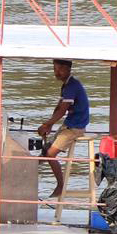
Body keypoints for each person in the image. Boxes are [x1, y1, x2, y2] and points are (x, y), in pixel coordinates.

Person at [36, 59, 90, 199]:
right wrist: (50, 124)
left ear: (68, 69)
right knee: (43, 153)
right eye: (55, 69)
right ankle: (27, 180)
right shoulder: (66, 86)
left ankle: (61, 185)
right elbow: (59, 107)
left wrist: (47, 125)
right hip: (68, 124)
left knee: (50, 154)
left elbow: (62, 111)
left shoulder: (72, 85)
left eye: (60, 69)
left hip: (75, 127)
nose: (57, 72)